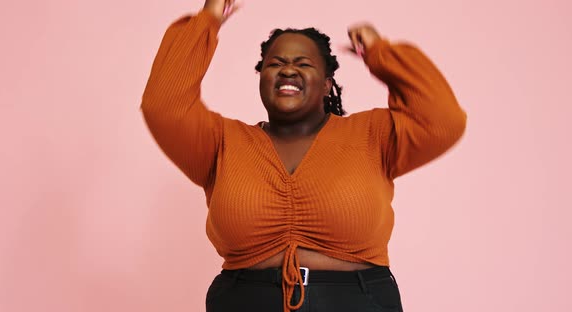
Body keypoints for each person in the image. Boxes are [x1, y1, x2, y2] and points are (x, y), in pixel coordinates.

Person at [141, 0, 467, 311]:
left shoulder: (374, 135)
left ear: (327, 85)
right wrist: (207, 21)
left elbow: (441, 120)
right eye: (275, 64)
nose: (287, 71)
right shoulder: (220, 142)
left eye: (303, 63)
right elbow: (163, 106)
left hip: (357, 303)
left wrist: (380, 52)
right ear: (262, 77)